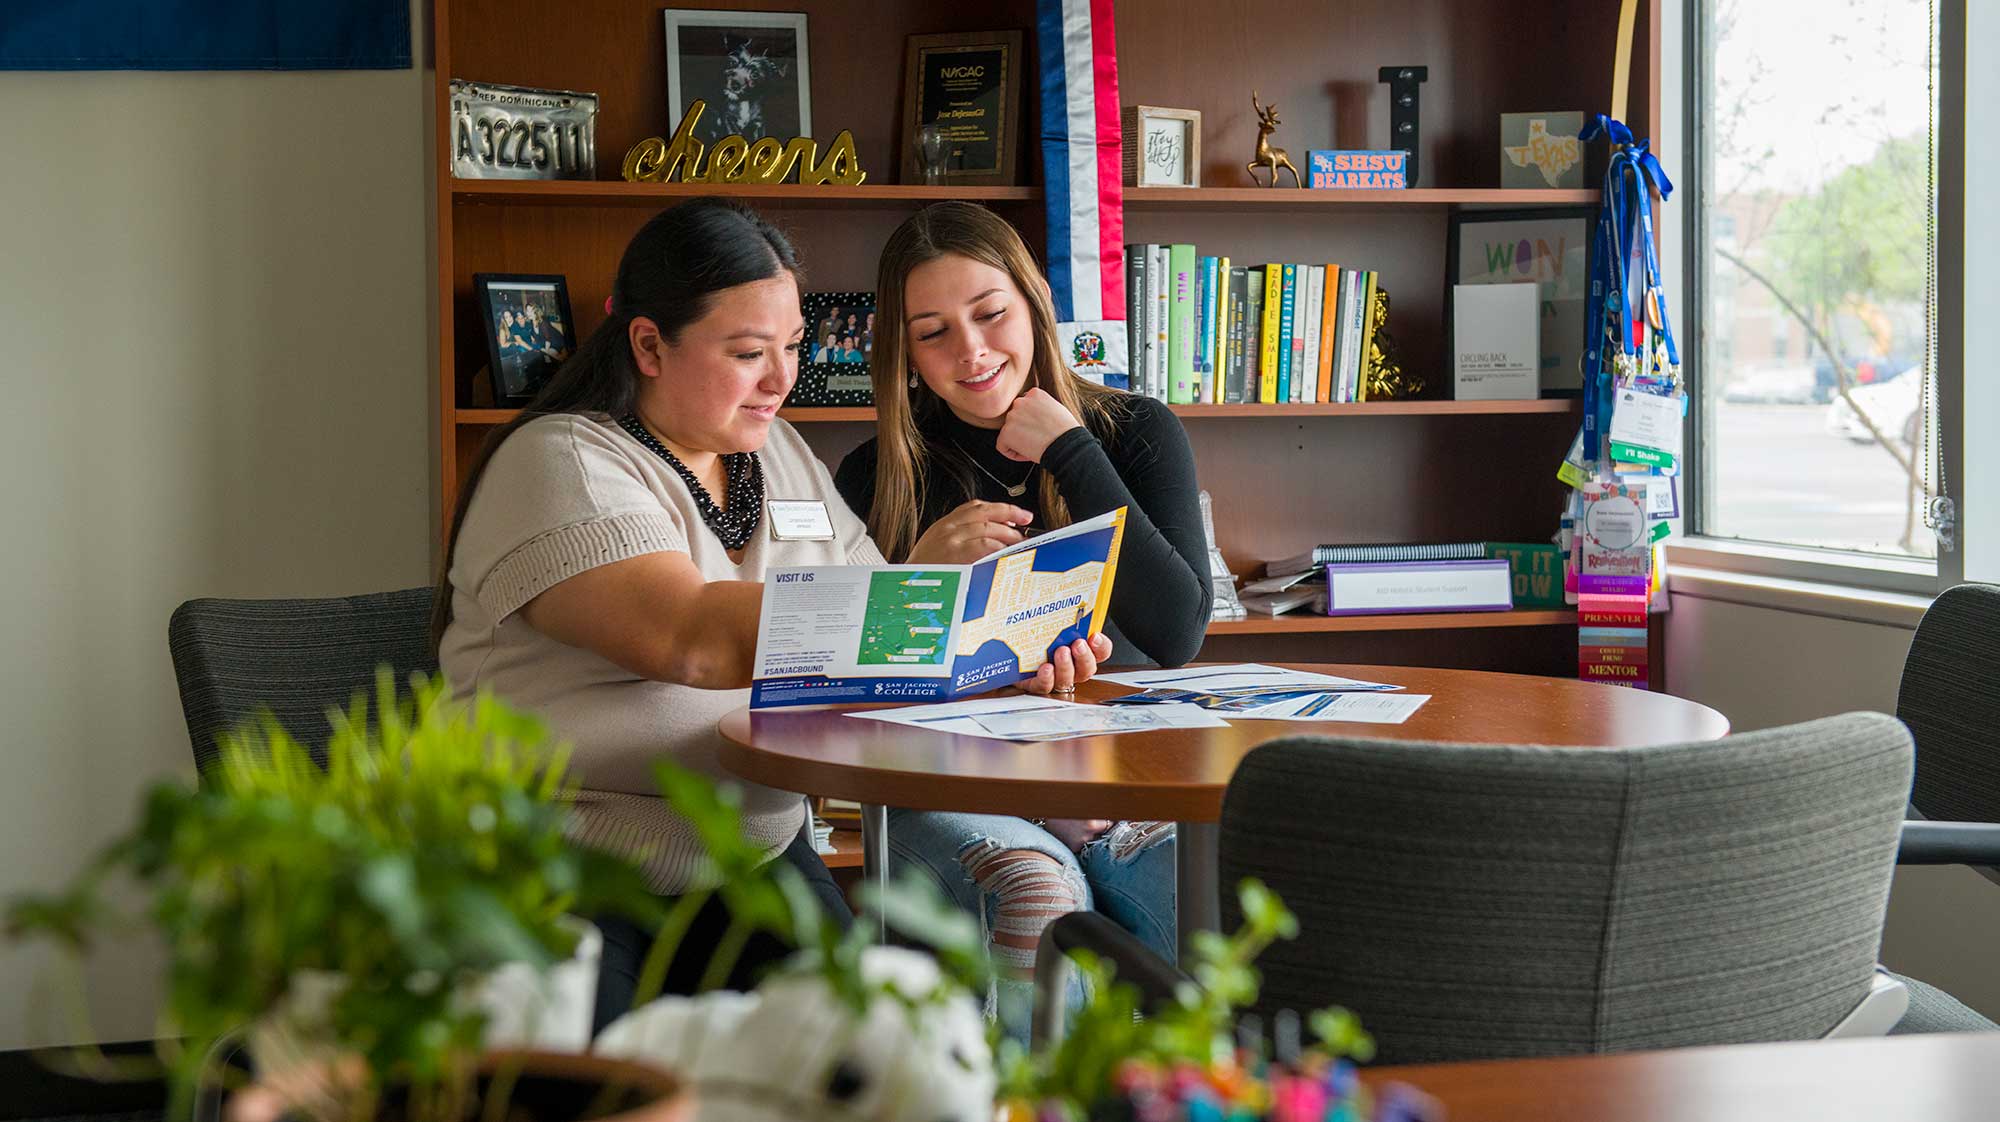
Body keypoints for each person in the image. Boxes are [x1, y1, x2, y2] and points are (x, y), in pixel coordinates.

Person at [433, 198, 1119, 1032]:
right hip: (566, 867)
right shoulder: (561, 460)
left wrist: (1003, 644)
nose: (781, 378)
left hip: (753, 852)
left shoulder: (775, 450)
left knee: (862, 1069)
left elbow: (877, 627)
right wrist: (919, 605)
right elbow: (689, 639)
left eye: (792, 347)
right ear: (649, 344)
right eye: (749, 353)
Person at [833, 201, 1210, 1029]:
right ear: (903, 352)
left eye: (991, 314)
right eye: (931, 332)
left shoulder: (1137, 431)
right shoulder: (877, 474)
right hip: (956, 779)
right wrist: (918, 572)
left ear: (1033, 304)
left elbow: (1179, 631)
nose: (970, 352)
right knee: (1039, 890)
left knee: (1207, 889)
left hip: (1121, 777)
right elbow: (851, 685)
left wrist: (1071, 448)